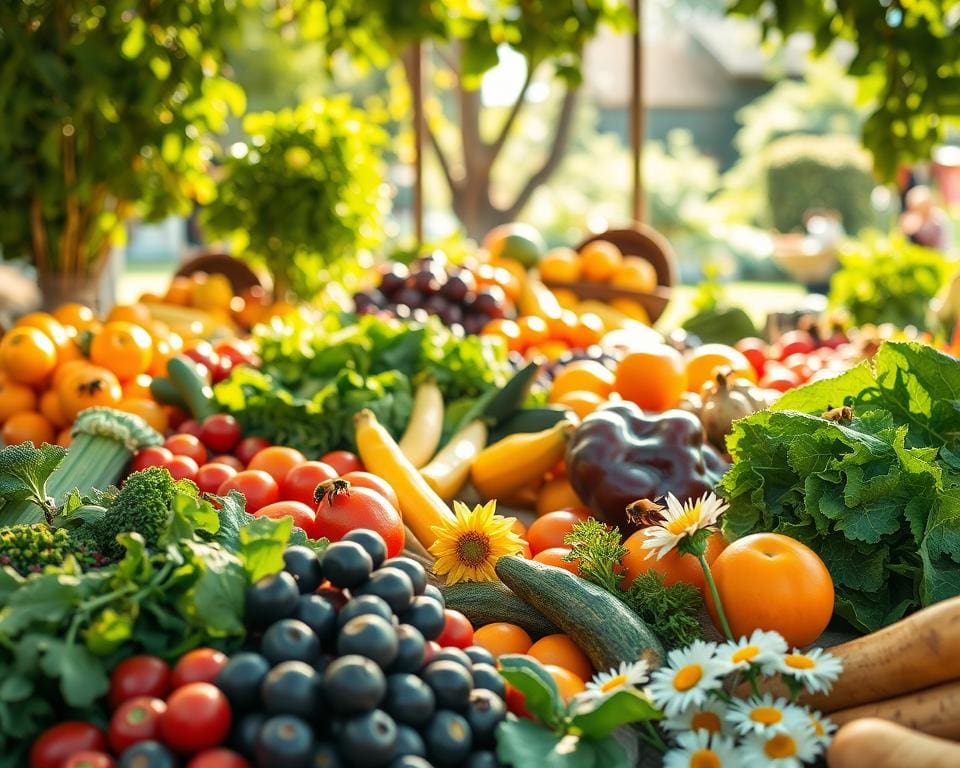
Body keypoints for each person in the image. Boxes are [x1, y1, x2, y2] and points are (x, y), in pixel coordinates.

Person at [899, 185, 952, 252]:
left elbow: (943, 245)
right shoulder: (909, 220)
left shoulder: (938, 220)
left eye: (922, 208)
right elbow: (900, 242)